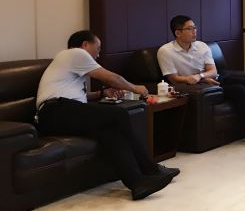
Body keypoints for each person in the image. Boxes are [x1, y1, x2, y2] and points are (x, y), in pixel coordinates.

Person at [36, 30, 179, 200]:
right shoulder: (76, 53)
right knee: (119, 114)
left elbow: (76, 95)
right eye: (97, 48)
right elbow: (111, 78)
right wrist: (135, 88)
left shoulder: (69, 63)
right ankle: (151, 168)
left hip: (59, 113)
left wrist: (101, 94)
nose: (98, 55)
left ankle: (138, 183)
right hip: (55, 111)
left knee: (110, 133)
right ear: (85, 45)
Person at [157, 15, 245, 147]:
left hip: (215, 79)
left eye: (195, 28)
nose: (194, 31)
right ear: (178, 33)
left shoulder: (201, 46)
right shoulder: (166, 51)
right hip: (201, 87)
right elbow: (173, 78)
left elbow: (213, 71)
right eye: (190, 29)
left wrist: (200, 76)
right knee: (239, 90)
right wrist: (197, 80)